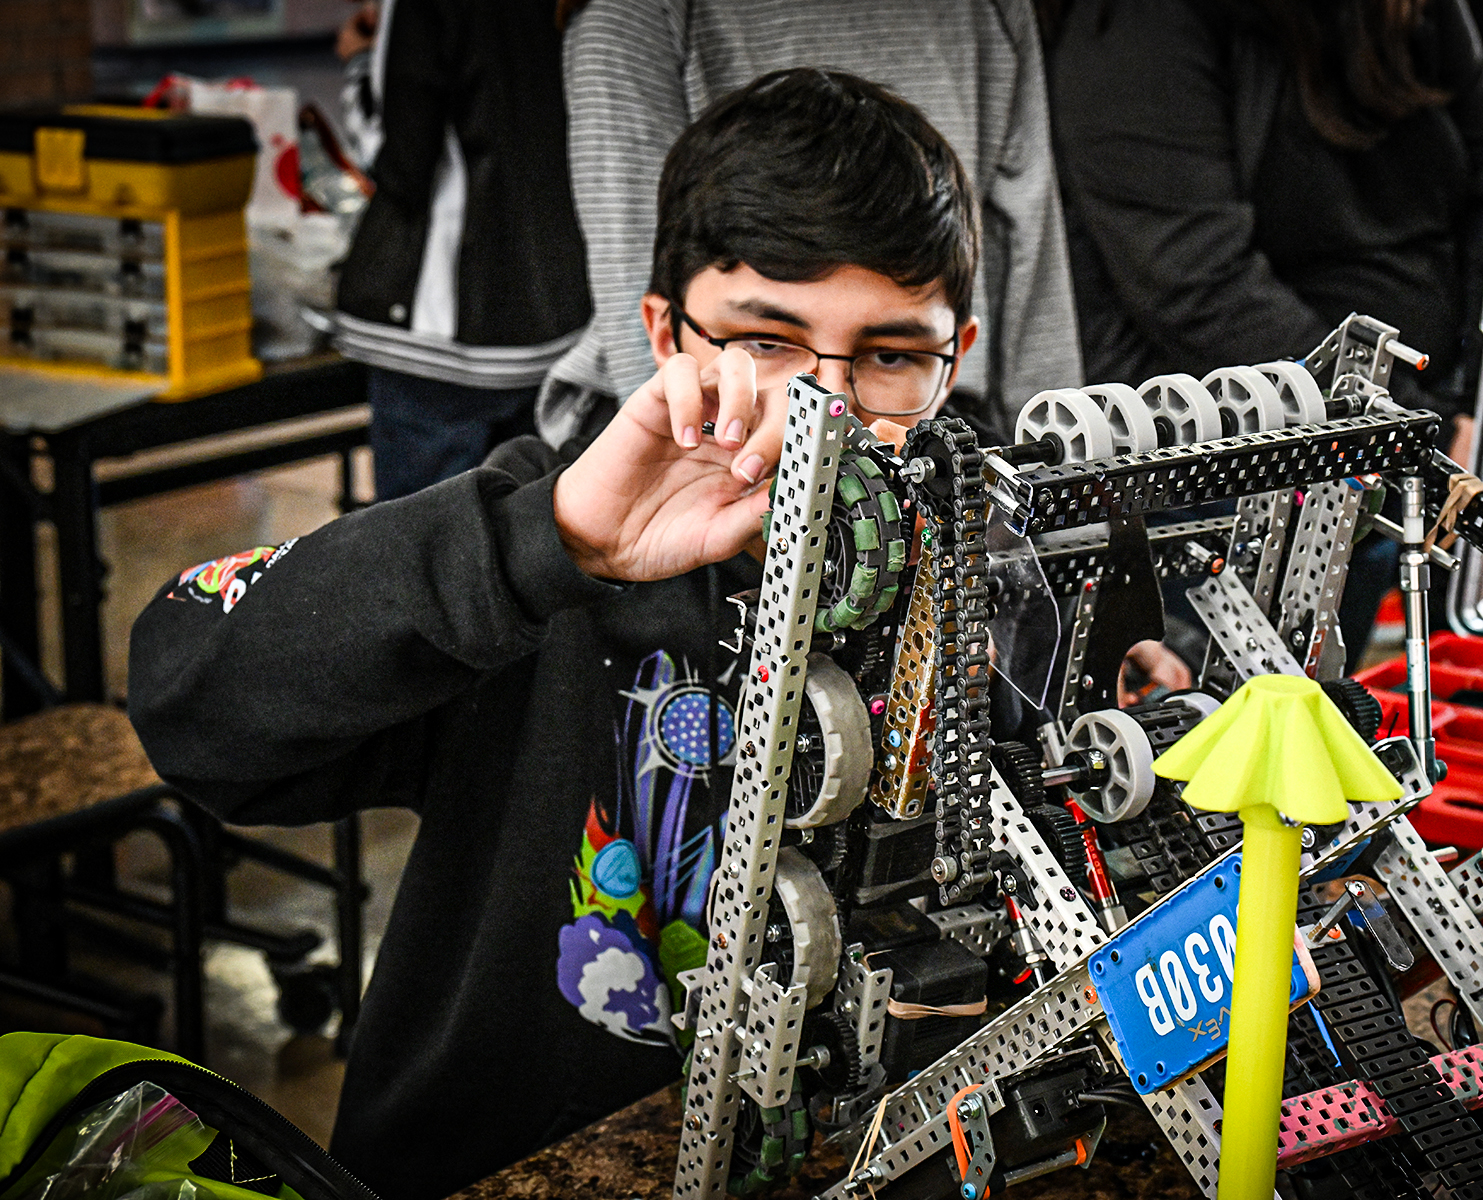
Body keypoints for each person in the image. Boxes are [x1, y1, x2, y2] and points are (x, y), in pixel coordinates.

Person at [130, 70, 979, 1200]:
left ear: (955, 357)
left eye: (888, 357)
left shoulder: (989, 570)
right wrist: (550, 545)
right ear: (664, 332)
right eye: (766, 344)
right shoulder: (539, 536)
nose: (817, 420)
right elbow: (190, 703)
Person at [1049, 0, 1483, 667]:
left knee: (1329, 710)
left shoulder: (1409, 12)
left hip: (1382, 455)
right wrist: (1431, 428)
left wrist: (1482, 401)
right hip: (1227, 485)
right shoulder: (1144, 26)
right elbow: (1196, 282)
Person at [536, 0, 1082, 451]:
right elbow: (639, 272)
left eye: (887, 352)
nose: (827, 428)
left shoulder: (991, 10)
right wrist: (685, 468)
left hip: (922, 420)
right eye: (766, 344)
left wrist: (1055, 462)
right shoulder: (636, 14)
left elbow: (1032, 270)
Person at [331, 0, 590, 500]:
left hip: (440, 336)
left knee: (422, 558)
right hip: (553, 323)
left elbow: (395, 158)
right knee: (518, 546)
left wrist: (360, 61)